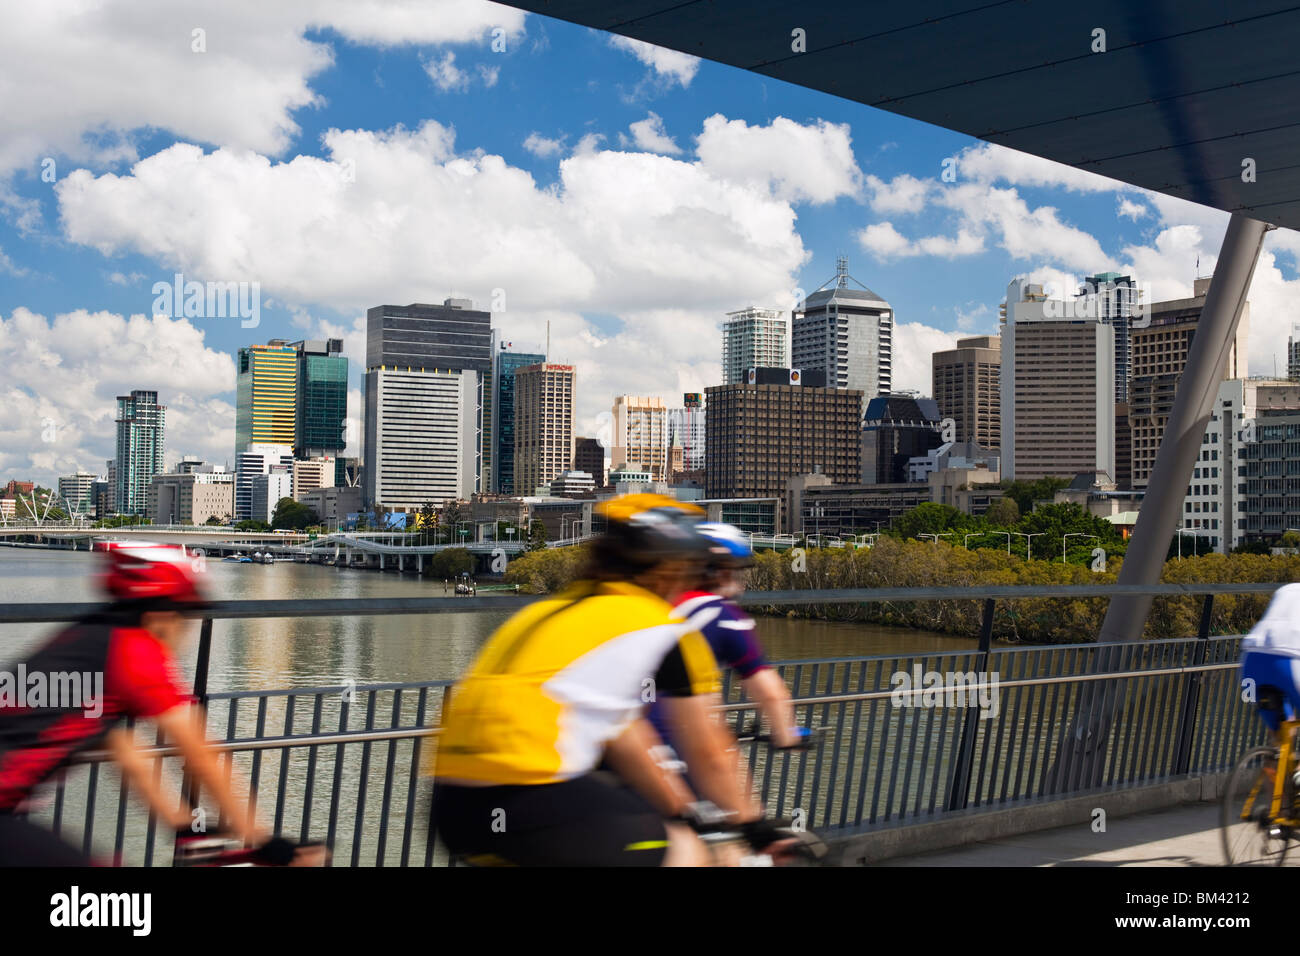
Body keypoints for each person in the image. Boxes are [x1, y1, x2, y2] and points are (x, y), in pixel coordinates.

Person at [430, 494, 785, 866]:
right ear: (669, 567)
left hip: (454, 803)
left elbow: (625, 736)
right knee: (685, 850)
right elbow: (709, 753)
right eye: (693, 567)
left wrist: (681, 810)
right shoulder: (664, 628)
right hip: (531, 792)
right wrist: (753, 825)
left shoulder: (552, 610)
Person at [0, 542, 317, 866]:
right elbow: (201, 754)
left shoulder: (88, 638)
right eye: (188, 614)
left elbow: (130, 758)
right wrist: (263, 840)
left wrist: (185, 828)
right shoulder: (134, 652)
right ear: (161, 613)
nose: (188, 628)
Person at [655, 522, 805, 751]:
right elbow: (770, 693)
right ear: (719, 570)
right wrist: (787, 734)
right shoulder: (723, 616)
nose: (740, 580)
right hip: (677, 746)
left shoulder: (655, 605)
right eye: (737, 570)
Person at [1240, 583, 1300, 734]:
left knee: (1280, 731)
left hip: (1251, 662)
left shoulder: (1286, 589)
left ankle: (1273, 755)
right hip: (1289, 662)